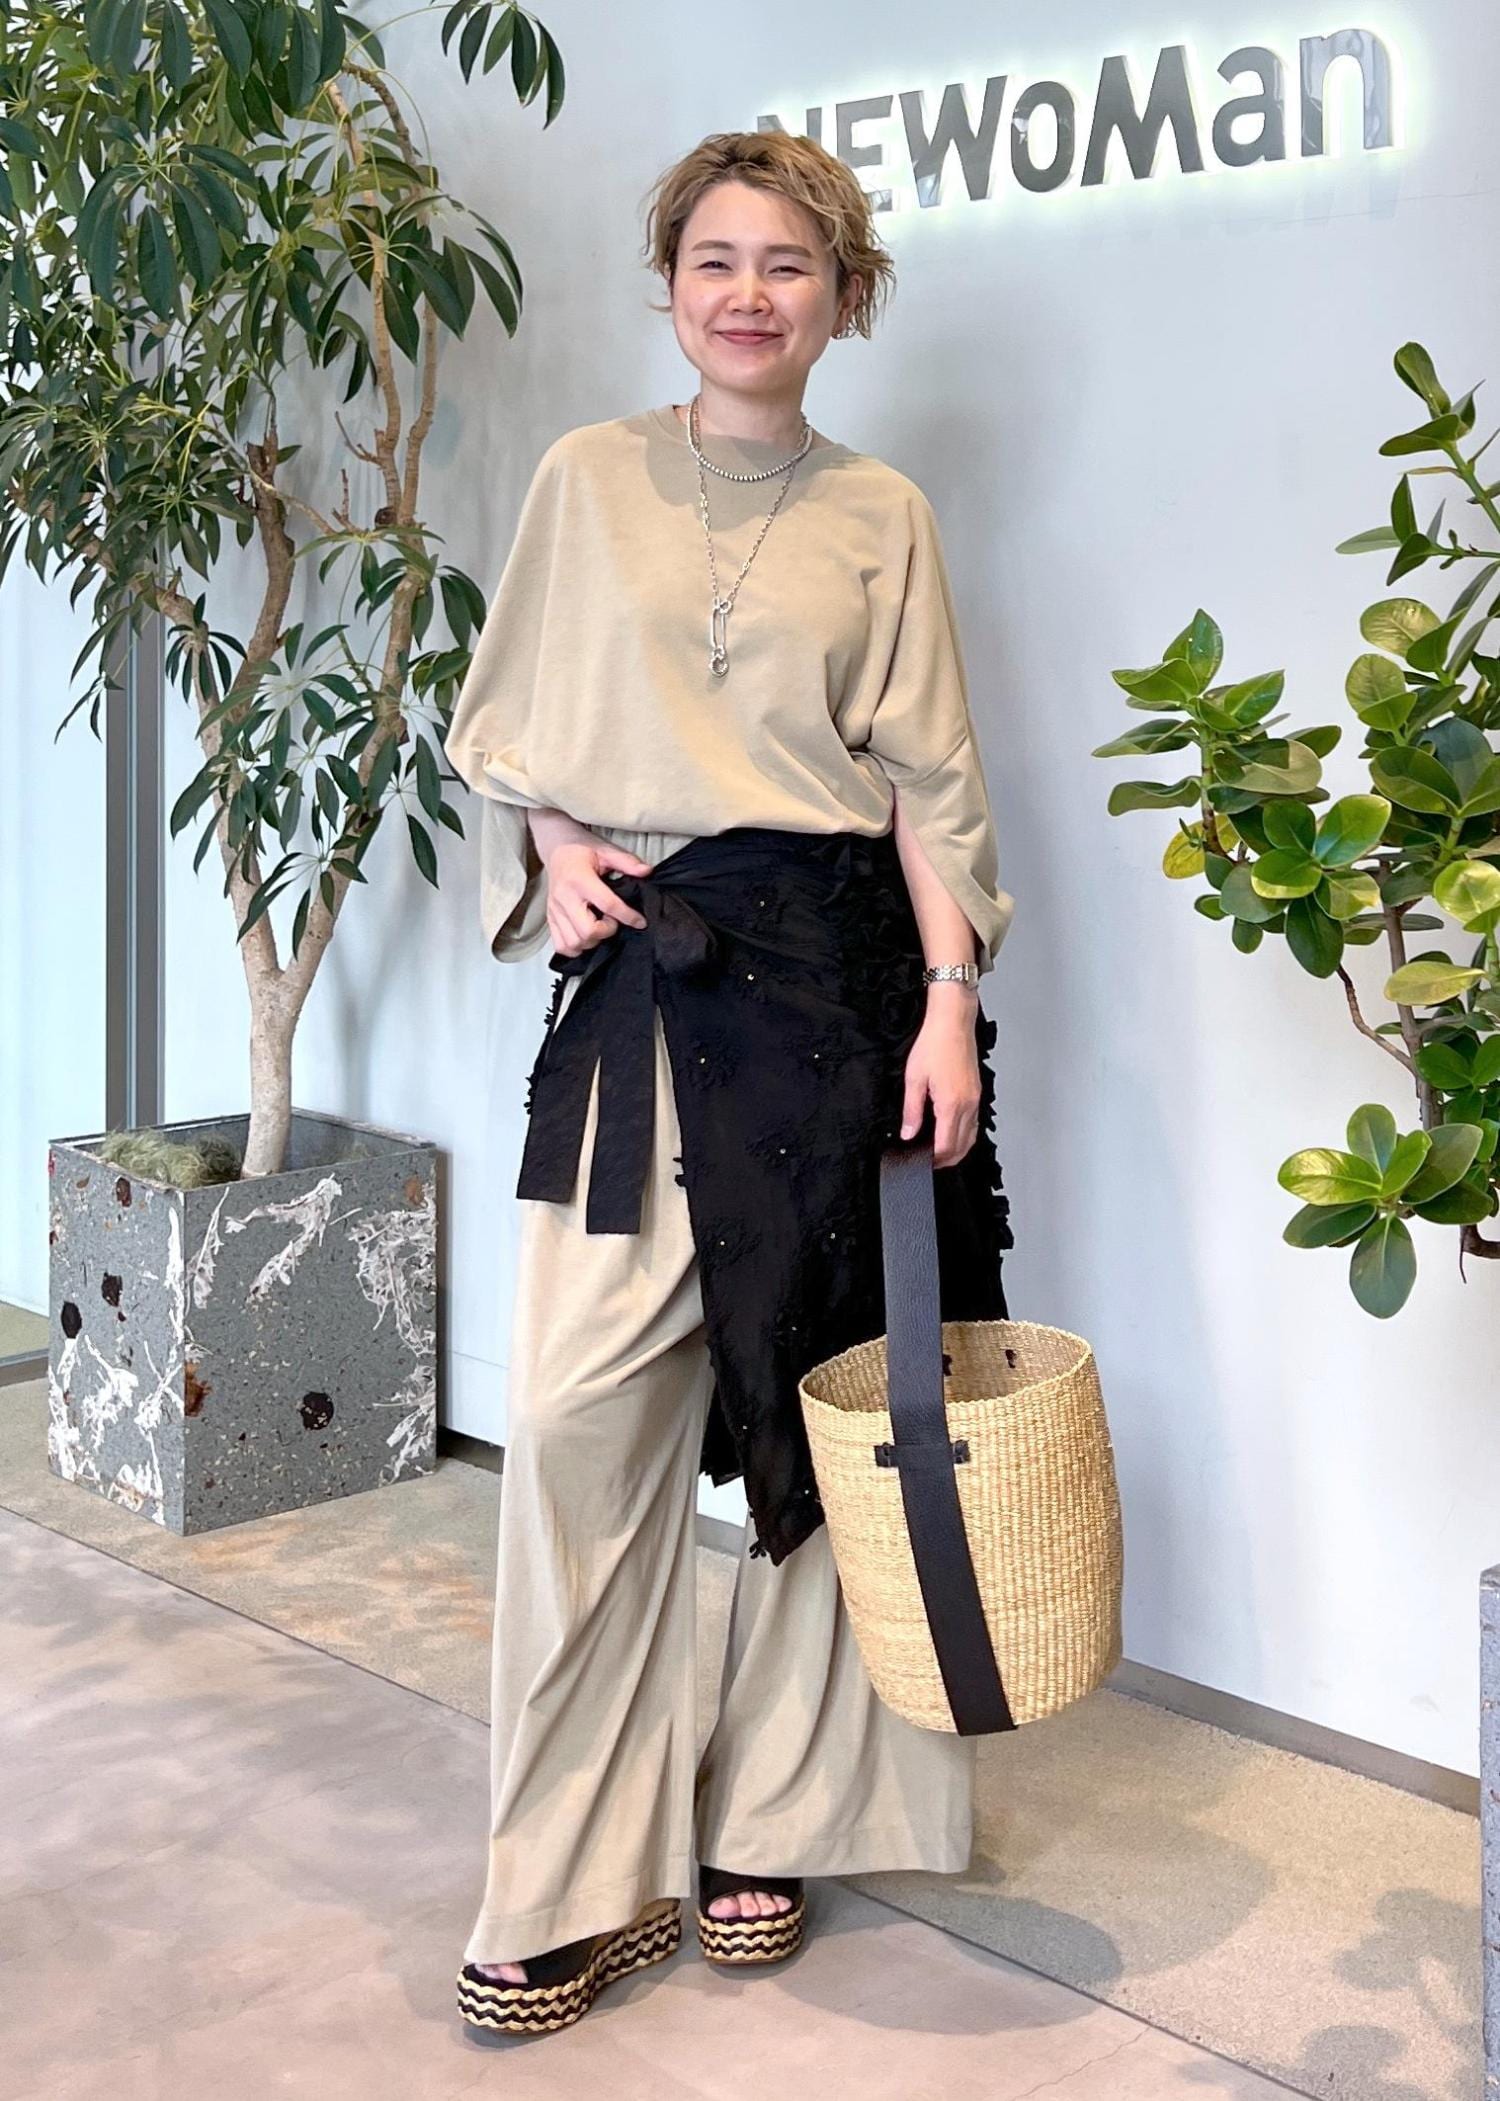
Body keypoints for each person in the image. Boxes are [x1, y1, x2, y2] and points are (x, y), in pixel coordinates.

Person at [442, 128, 1017, 2037]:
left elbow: (926, 780)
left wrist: (950, 1002)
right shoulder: (585, 477)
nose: (750, 292)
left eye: (790, 262)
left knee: (817, 1418)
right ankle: (571, 1876)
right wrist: (550, 849)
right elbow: (512, 729)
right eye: (716, 258)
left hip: (831, 995)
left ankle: (773, 1813)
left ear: (846, 294)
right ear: (669, 283)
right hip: (642, 987)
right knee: (574, 1424)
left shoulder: (881, 513)